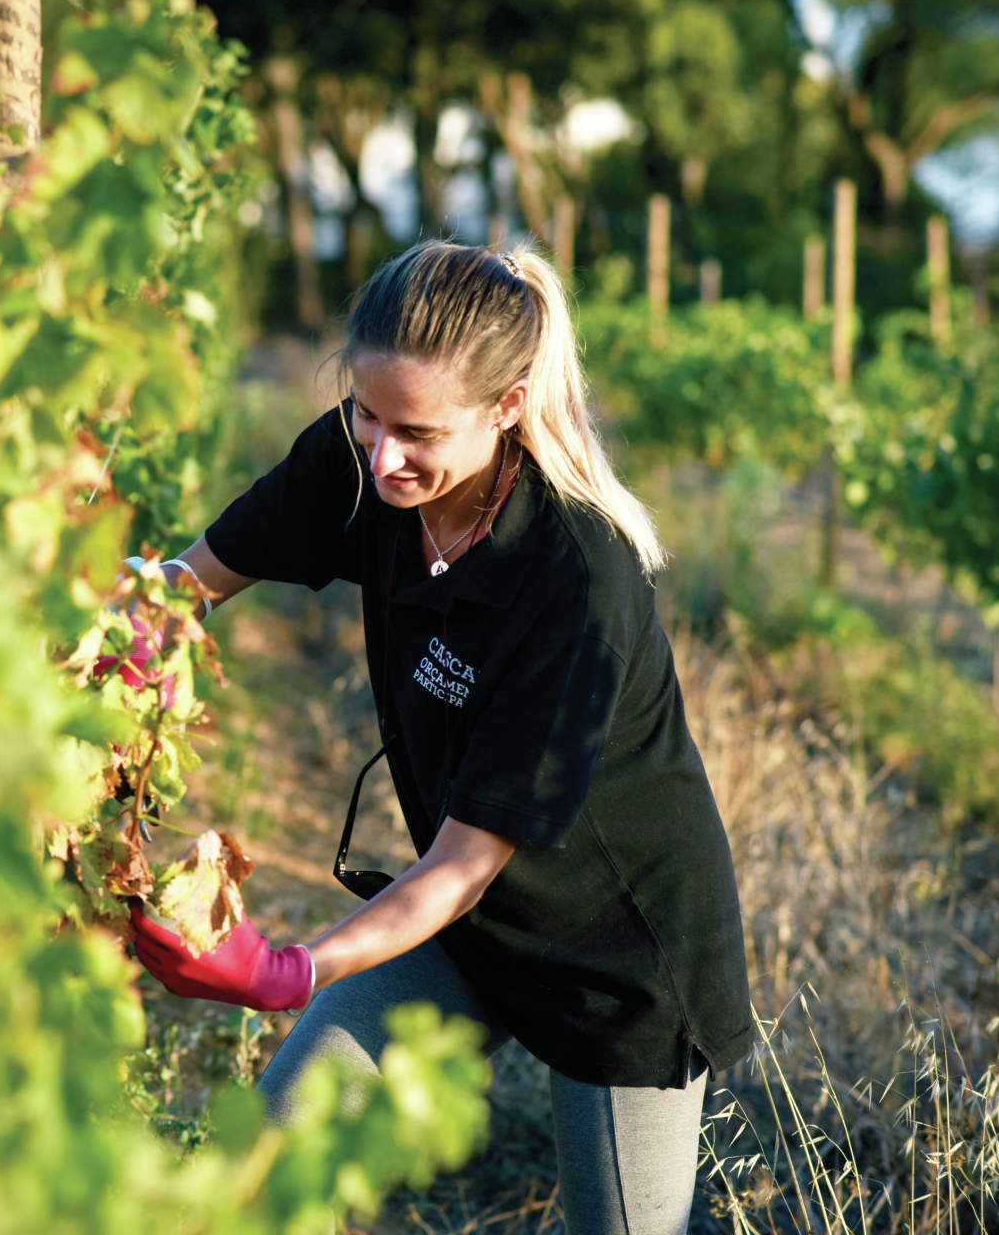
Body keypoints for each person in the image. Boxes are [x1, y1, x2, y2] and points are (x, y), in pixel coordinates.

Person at [125, 241, 754, 1235]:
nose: (382, 457)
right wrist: (114, 631)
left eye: (417, 430)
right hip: (471, 930)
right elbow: (187, 583)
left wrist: (294, 968)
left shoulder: (575, 585)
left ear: (507, 403)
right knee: (262, 1166)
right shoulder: (358, 462)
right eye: (367, 413)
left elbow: (463, 862)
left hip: (616, 960)